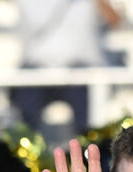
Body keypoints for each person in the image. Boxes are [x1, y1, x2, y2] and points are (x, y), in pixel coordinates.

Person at [13, 0, 121, 138]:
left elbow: (115, 21)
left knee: (87, 124)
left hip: (82, 72)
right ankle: (25, 153)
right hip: (35, 71)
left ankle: (87, 150)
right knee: (26, 121)